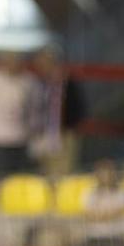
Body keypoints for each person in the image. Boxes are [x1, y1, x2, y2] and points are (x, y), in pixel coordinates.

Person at [26, 45, 83, 176]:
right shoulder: (37, 84)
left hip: (63, 135)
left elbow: (78, 108)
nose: (41, 66)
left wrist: (66, 127)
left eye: (44, 62)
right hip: (40, 136)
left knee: (62, 173)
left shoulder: (66, 82)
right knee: (43, 174)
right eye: (39, 63)